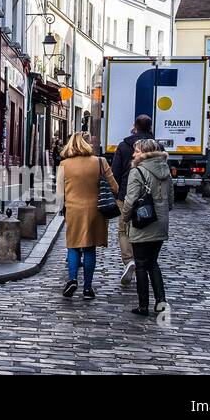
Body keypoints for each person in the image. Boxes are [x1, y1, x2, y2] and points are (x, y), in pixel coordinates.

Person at [55, 131, 118, 299]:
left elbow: (59, 194)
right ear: (87, 144)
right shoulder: (100, 162)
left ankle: (73, 279)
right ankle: (88, 289)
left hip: (73, 211)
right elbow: (115, 188)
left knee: (73, 246)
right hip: (96, 211)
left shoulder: (64, 165)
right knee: (90, 249)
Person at [123, 137, 172, 316]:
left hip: (142, 222)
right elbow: (171, 200)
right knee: (153, 263)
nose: (133, 154)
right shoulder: (165, 170)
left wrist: (125, 217)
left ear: (144, 153)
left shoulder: (138, 171)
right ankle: (161, 302)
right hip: (160, 223)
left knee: (141, 265)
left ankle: (143, 305)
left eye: (136, 151)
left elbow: (130, 200)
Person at [112, 114, 154, 286]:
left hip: (125, 193)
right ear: (150, 128)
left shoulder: (123, 146)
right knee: (145, 231)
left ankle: (129, 260)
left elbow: (115, 172)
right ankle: (142, 261)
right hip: (149, 197)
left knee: (123, 230)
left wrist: (116, 194)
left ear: (134, 127)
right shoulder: (155, 146)